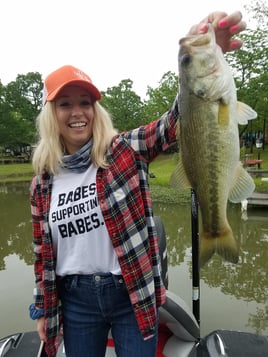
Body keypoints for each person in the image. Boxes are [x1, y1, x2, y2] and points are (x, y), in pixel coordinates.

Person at [29, 11, 246, 357]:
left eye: (85, 103)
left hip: (131, 292)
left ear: (96, 110)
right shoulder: (42, 181)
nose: (77, 112)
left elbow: (176, 122)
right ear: (50, 114)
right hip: (75, 300)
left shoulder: (125, 150)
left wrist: (204, 60)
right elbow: (43, 254)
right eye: (65, 104)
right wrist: (43, 308)